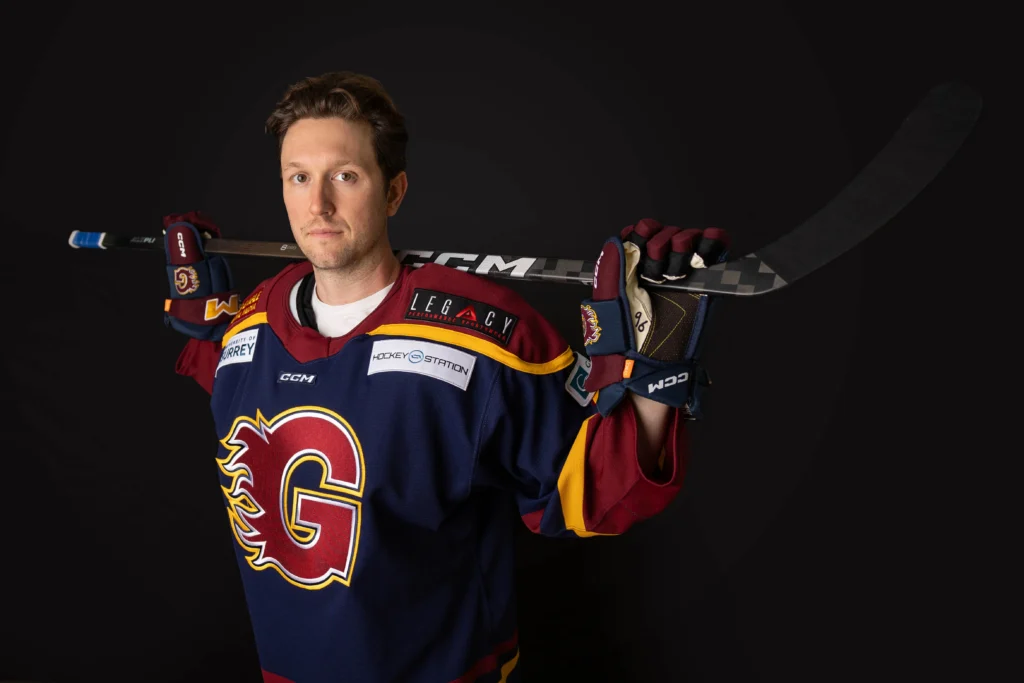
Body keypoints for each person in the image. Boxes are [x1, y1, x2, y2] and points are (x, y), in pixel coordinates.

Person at [164, 71, 730, 683]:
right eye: (298, 177)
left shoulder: (484, 334)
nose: (318, 205)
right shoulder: (250, 324)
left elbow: (598, 485)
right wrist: (205, 327)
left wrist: (653, 378)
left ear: (394, 192)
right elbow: (252, 395)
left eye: (345, 176)